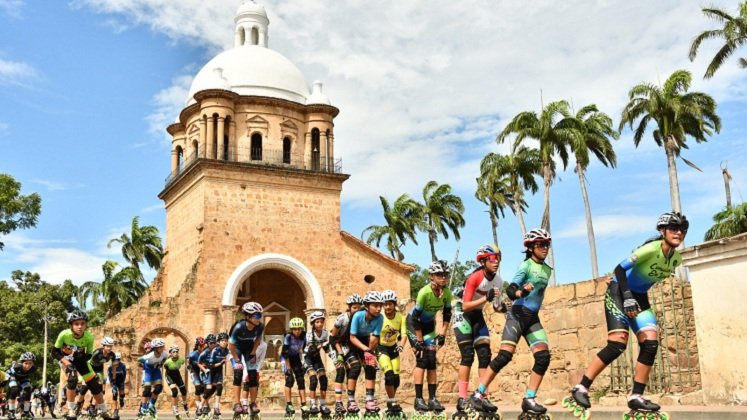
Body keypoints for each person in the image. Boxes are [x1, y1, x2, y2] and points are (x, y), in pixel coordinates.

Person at [568, 212, 688, 416]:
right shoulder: (650, 248)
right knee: (617, 344)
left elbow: (646, 279)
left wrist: (635, 297)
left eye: (682, 229)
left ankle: (636, 396)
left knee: (650, 343)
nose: (678, 232)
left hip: (639, 297)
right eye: (673, 228)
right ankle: (581, 387)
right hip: (619, 293)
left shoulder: (675, 259)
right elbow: (619, 269)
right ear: (662, 231)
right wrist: (626, 294)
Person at [470, 228, 553, 417]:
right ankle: (478, 393)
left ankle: (529, 399)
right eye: (541, 244)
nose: (545, 248)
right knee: (505, 357)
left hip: (532, 318)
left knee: (543, 357)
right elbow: (510, 290)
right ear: (531, 247)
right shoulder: (526, 267)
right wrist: (521, 293)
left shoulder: (547, 270)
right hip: (517, 315)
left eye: (547, 244)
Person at [453, 244, 504, 415]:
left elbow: (497, 306)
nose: (496, 261)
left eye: (498, 258)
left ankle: (482, 396)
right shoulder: (474, 278)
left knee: (485, 355)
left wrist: (507, 308)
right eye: (492, 258)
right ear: (483, 261)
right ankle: (461, 398)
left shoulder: (498, 281)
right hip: (463, 314)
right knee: (467, 355)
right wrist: (485, 299)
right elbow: (466, 305)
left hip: (477, 315)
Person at [407, 260, 453, 414]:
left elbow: (447, 314)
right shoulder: (424, 292)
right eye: (439, 275)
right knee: (422, 359)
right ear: (432, 276)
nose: (443, 278)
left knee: (432, 360)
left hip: (429, 326)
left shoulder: (447, 293)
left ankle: (432, 398)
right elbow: (415, 318)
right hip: (414, 325)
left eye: (445, 275)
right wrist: (419, 341)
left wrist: (443, 333)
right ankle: (419, 399)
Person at [52, 311, 115, 420]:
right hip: (65, 359)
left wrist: (81, 356)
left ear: (86, 325)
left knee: (94, 385)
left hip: (80, 360)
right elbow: (55, 352)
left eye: (82, 323)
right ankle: (71, 410)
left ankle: (104, 411)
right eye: (76, 324)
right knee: (72, 379)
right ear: (71, 325)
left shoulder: (89, 337)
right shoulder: (64, 334)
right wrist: (67, 363)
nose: (80, 326)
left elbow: (89, 355)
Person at [349, 291, 385, 414]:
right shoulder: (358, 316)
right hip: (351, 342)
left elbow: (375, 337)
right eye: (375, 305)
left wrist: (369, 352)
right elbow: (352, 337)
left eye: (380, 305)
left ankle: (369, 401)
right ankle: (351, 401)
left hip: (365, 342)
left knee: (370, 366)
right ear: (367, 306)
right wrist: (365, 349)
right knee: (355, 368)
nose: (379, 308)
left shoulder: (380, 318)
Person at [228, 302, 265, 417]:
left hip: (249, 349)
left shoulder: (260, 326)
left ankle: (253, 404)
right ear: (248, 317)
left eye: (260, 315)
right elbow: (231, 345)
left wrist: (254, 352)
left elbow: (258, 340)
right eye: (257, 316)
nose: (260, 318)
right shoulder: (239, 327)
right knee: (238, 373)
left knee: (253, 376)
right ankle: (237, 403)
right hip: (237, 349)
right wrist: (236, 359)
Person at [328, 294, 363, 415]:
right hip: (335, 346)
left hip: (349, 347)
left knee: (356, 367)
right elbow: (333, 337)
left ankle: (351, 401)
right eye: (354, 308)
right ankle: (338, 403)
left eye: (359, 308)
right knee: (341, 370)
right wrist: (340, 353)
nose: (357, 310)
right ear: (349, 308)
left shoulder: (360, 319)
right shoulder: (342, 319)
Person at [377, 290, 407, 416]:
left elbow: (404, 334)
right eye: (385, 304)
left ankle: (390, 403)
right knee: (389, 375)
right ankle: (392, 401)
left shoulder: (400, 317)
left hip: (393, 348)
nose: (388, 307)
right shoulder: (380, 317)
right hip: (381, 348)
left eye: (390, 304)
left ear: (394, 304)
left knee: (396, 379)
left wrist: (401, 346)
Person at [304, 311, 331, 416]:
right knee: (313, 379)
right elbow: (312, 349)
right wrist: (324, 343)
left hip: (317, 358)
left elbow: (327, 349)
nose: (320, 324)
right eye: (317, 322)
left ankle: (323, 405)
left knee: (324, 380)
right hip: (308, 357)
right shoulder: (309, 334)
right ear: (313, 324)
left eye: (321, 322)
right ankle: (313, 404)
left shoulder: (325, 333)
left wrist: (335, 359)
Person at [282, 317, 308, 417]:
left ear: (302, 328)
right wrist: (288, 369)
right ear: (292, 330)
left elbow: (304, 350)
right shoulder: (288, 337)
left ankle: (304, 404)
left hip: (296, 357)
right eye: (295, 329)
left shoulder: (304, 336)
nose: (297, 331)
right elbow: (285, 354)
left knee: (301, 380)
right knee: (289, 380)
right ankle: (289, 405)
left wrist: (303, 363)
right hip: (286, 359)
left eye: (299, 329)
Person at [137, 338, 168, 418]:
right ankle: (143, 408)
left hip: (156, 370)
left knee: (159, 388)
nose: (162, 349)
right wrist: (143, 360)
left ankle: (151, 405)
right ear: (155, 348)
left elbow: (165, 358)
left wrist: (162, 363)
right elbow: (139, 359)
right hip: (148, 370)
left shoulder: (164, 353)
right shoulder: (150, 355)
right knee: (147, 390)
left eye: (162, 347)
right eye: (160, 347)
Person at [6, 353, 36, 420]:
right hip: (13, 376)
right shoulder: (16, 367)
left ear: (33, 363)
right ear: (22, 362)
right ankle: (11, 412)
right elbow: (7, 373)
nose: (28, 365)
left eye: (30, 363)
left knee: (28, 390)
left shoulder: (33, 368)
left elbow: (28, 378)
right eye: (26, 363)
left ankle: (26, 412)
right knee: (14, 389)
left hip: (23, 378)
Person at [164, 345, 189, 418]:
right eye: (173, 352)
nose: (175, 353)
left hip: (177, 375)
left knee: (184, 391)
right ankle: (175, 408)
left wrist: (189, 367)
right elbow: (165, 369)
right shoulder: (167, 362)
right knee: (175, 391)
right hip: (169, 375)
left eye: (176, 351)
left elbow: (185, 364)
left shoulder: (181, 360)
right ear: (170, 353)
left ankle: (184, 404)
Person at [188, 337, 206, 416]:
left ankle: (203, 405)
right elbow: (188, 364)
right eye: (200, 346)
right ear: (197, 346)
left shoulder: (205, 353)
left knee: (203, 389)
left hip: (201, 372)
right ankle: (198, 407)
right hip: (194, 371)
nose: (202, 347)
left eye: (203, 346)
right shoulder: (192, 355)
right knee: (198, 388)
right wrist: (189, 366)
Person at [107, 353, 126, 419]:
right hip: (114, 382)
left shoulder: (123, 366)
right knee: (114, 394)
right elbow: (109, 376)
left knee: (122, 394)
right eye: (115, 360)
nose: (116, 362)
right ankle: (115, 410)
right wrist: (112, 385)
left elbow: (124, 375)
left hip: (120, 381)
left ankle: (121, 399)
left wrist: (122, 382)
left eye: (118, 360)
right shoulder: (110, 367)